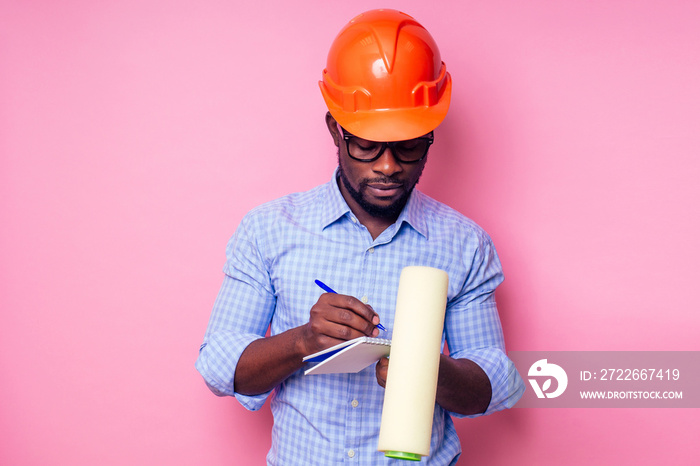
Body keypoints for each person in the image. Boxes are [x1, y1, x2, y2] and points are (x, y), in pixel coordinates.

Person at [196, 9, 524, 465]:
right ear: (335, 128)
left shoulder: (465, 244)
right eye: (367, 144)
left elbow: (492, 383)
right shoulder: (268, 229)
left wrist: (430, 370)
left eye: (408, 143)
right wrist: (303, 341)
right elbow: (219, 368)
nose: (388, 166)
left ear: (431, 132)